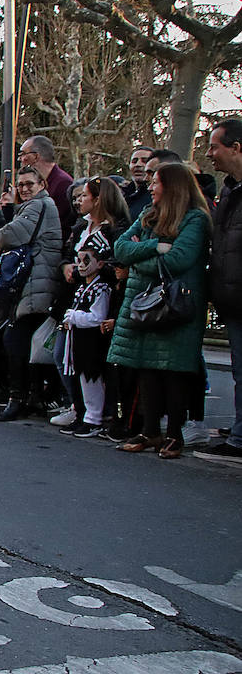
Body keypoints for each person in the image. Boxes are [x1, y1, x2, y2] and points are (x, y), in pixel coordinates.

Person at [107, 162, 211, 459]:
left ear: (174, 187)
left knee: (174, 369)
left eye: (156, 182)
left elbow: (178, 259)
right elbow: (121, 248)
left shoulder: (195, 219)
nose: (150, 187)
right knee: (146, 368)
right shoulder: (147, 214)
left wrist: (141, 257)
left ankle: (174, 434)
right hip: (145, 303)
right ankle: (150, 430)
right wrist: (157, 246)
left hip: (177, 304)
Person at [0, 166, 63, 421]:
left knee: (16, 342)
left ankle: (19, 398)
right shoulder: (37, 206)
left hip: (36, 285)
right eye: (20, 184)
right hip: (35, 284)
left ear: (42, 184)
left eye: (29, 184)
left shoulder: (39, 206)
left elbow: (11, 235)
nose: (23, 188)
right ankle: (32, 396)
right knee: (27, 344)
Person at [199, 119, 242, 462]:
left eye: (215, 146)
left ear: (236, 147)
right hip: (231, 294)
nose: (210, 154)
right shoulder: (229, 190)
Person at [57, 233, 115, 437]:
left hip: (91, 342)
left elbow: (97, 317)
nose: (81, 265)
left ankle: (94, 418)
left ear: (100, 264)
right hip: (78, 341)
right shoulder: (82, 287)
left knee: (92, 380)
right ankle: (84, 415)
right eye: (79, 260)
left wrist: (74, 316)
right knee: (82, 379)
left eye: (86, 260)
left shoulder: (101, 288)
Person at [19, 134, 74, 240]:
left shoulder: (63, 184)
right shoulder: (42, 182)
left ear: (36, 156)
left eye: (23, 154)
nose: (21, 159)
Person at [124, 146, 155, 223]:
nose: (138, 164)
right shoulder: (122, 194)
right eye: (134, 161)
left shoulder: (157, 197)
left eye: (145, 161)